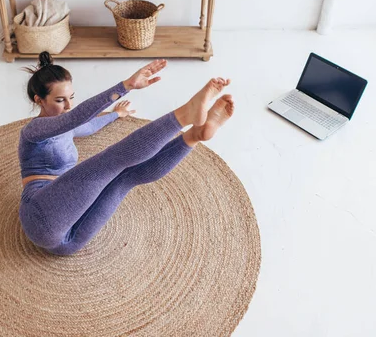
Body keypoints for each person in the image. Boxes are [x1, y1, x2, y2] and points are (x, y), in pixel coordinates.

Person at [19, 51, 234, 255]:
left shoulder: (68, 127)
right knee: (112, 161)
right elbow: (74, 118)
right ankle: (184, 114)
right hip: (39, 214)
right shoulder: (33, 131)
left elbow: (88, 126)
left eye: (71, 98)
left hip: (67, 242)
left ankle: (193, 137)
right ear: (39, 100)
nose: (68, 105)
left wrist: (115, 115)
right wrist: (126, 86)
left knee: (126, 178)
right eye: (60, 100)